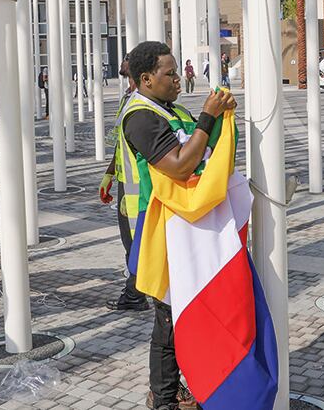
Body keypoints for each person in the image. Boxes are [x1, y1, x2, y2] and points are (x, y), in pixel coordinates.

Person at [119, 41, 236, 410]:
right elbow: (181, 164)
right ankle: (165, 398)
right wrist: (207, 116)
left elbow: (203, 153)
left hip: (187, 226)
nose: (178, 80)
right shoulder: (139, 116)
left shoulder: (170, 109)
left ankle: (182, 387)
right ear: (146, 79)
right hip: (160, 230)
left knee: (187, 314)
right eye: (170, 74)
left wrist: (218, 118)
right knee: (168, 319)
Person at [98, 56, 149, 313]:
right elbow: (121, 143)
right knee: (132, 242)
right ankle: (135, 292)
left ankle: (135, 294)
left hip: (138, 188)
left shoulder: (143, 102)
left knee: (135, 243)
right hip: (125, 182)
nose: (126, 60)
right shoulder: (128, 97)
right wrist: (109, 174)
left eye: (130, 58)